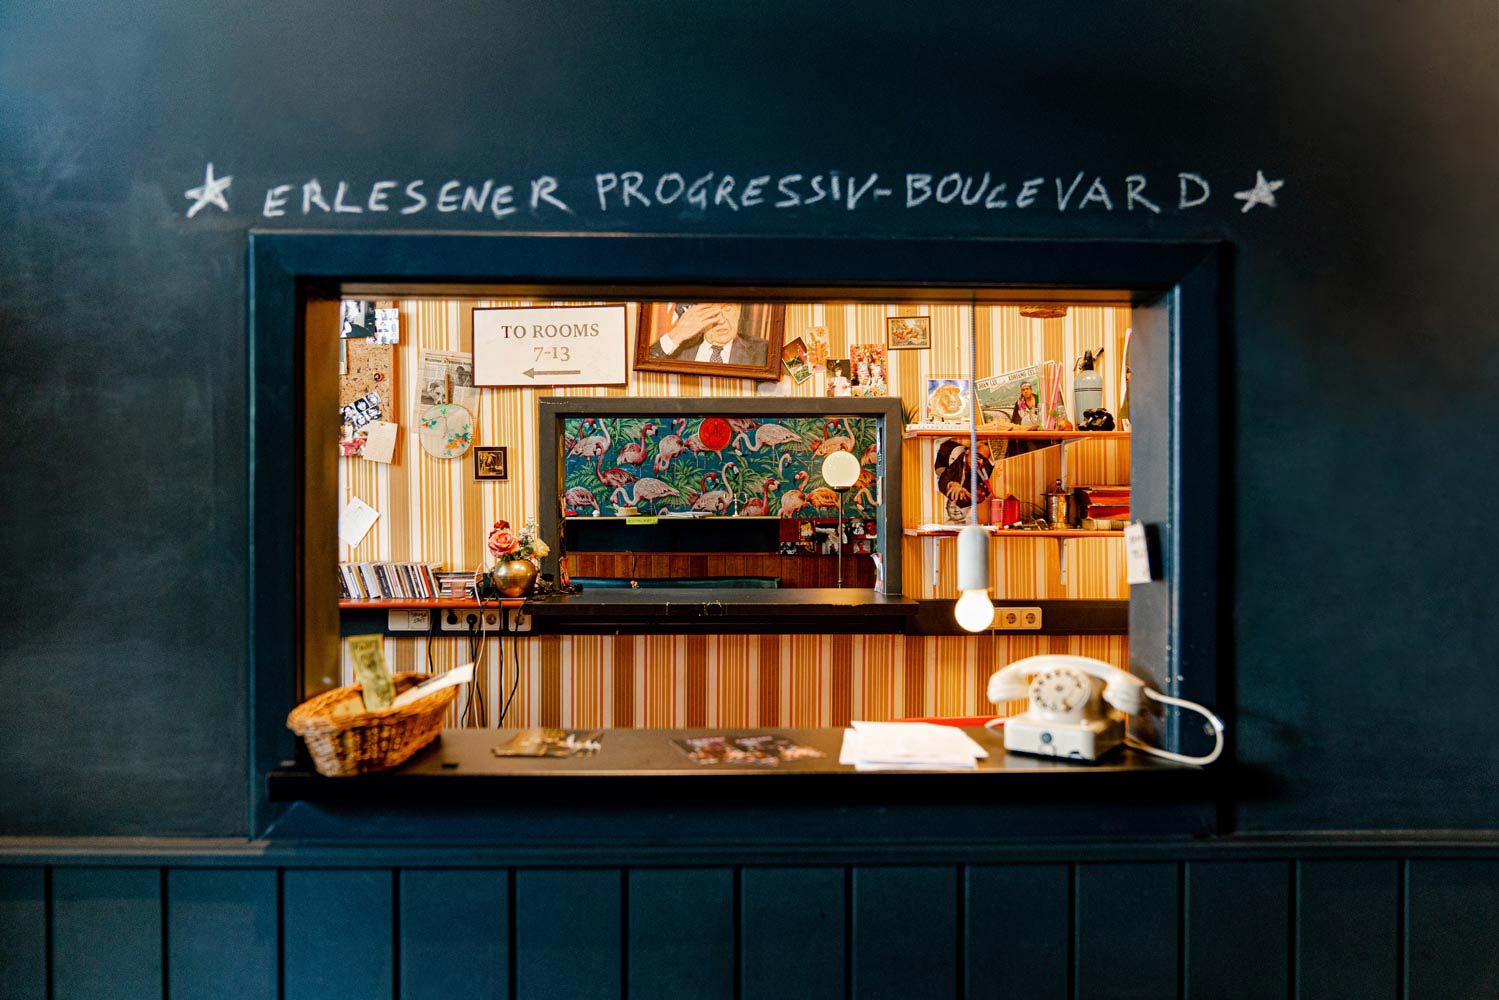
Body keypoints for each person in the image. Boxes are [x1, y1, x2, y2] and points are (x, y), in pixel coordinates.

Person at [648, 303, 769, 366]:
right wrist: (676, 335)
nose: (721, 321)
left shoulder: (764, 351)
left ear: (739, 311)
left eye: (727, 308)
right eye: (710, 311)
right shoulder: (677, 350)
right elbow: (643, 372)